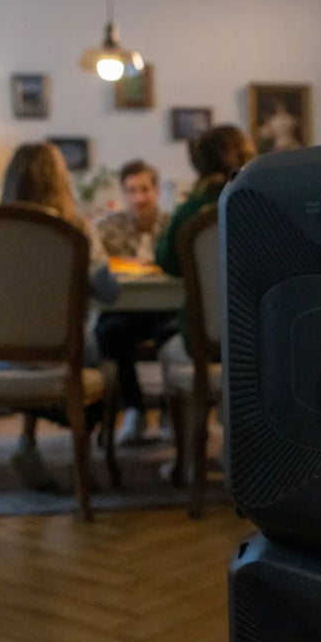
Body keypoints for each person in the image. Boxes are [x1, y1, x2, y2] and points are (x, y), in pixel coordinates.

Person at [0, 142, 119, 490]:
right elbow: (109, 292)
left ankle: (28, 444)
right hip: (66, 356)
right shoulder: (74, 229)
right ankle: (81, 458)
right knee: (104, 365)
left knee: (29, 345)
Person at [95, 160, 177, 445]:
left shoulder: (172, 224)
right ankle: (134, 409)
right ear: (124, 193)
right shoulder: (107, 227)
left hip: (164, 308)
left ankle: (171, 408)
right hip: (124, 308)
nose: (139, 197)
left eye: (144, 189)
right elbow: (99, 266)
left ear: (155, 190)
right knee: (109, 333)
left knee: (175, 332)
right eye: (131, 190)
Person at [156, 124, 256, 354]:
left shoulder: (189, 211)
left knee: (168, 348)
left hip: (201, 340)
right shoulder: (260, 206)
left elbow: (167, 262)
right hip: (258, 334)